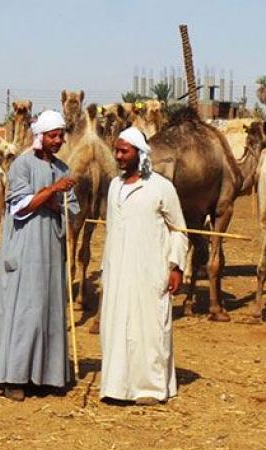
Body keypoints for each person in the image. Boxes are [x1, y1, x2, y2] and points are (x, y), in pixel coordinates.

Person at [0, 110, 79, 402]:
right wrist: (52, 192)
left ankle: (45, 376)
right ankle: (14, 377)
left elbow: (70, 210)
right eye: (53, 136)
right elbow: (21, 206)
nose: (59, 140)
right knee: (24, 310)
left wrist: (50, 198)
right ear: (41, 137)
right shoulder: (22, 165)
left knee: (47, 308)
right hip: (25, 248)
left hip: (51, 249)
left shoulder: (63, 168)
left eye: (61, 135)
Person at [99, 127, 188, 406]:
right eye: (116, 150)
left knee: (148, 328)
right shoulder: (114, 187)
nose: (119, 156)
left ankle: (149, 388)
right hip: (117, 271)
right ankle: (116, 386)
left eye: (124, 151)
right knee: (115, 326)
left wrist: (176, 266)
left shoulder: (161, 187)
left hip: (150, 271)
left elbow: (179, 230)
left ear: (140, 154)